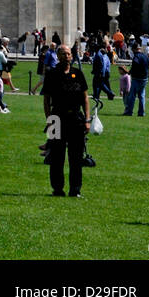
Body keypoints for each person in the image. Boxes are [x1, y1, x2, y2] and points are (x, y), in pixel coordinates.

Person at [42, 45, 90, 197]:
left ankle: (75, 190)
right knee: (57, 156)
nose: (67, 56)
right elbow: (46, 99)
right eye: (63, 54)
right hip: (56, 118)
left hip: (76, 118)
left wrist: (87, 119)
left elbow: (85, 98)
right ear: (58, 56)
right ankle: (57, 189)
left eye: (68, 54)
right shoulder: (52, 74)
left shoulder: (78, 73)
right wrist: (49, 120)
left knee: (76, 156)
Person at [123, 46, 149, 117]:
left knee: (132, 96)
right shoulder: (145, 56)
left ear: (134, 49)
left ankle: (129, 112)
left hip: (136, 79)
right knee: (142, 96)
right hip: (144, 79)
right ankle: (141, 113)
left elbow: (135, 63)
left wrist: (130, 72)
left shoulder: (136, 56)